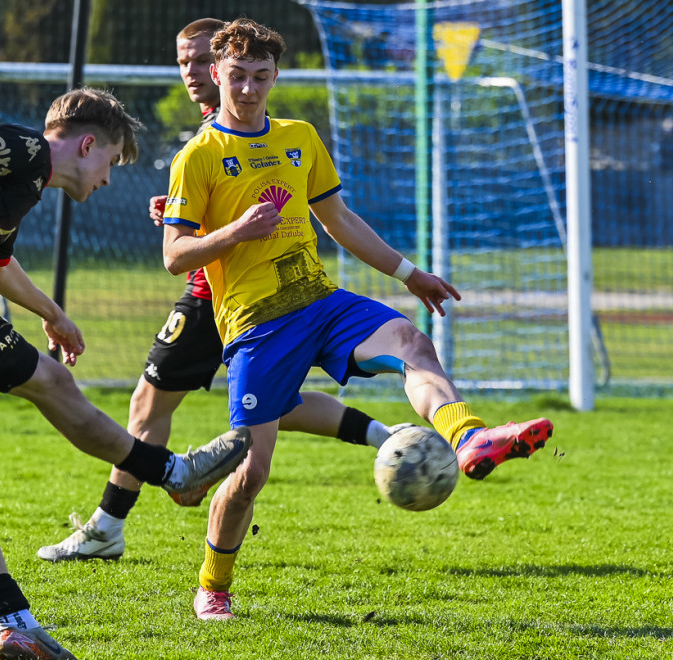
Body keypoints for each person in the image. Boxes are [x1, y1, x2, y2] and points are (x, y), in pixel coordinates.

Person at [0, 87, 251, 660]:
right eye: (109, 161)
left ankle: (13, 623)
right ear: (87, 144)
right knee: (54, 385)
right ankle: (171, 471)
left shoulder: (22, 186)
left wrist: (53, 315)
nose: (107, 179)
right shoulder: (23, 146)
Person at [160, 19, 555, 620]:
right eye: (236, 77)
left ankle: (470, 436)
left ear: (274, 78)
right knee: (249, 473)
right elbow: (173, 255)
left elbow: (338, 220)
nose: (247, 90)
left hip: (320, 301)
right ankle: (213, 583)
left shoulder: (299, 137)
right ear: (216, 75)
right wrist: (238, 231)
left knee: (410, 340)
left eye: (260, 78)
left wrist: (408, 273)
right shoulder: (198, 157)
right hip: (255, 325)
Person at [37, 18, 414, 564]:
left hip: (222, 295)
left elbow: (282, 209)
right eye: (181, 62)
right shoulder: (211, 133)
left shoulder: (253, 126)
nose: (189, 73)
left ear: (228, 68)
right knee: (270, 404)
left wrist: (210, 229)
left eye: (196, 62)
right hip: (223, 286)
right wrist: (179, 215)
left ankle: (108, 526)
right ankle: (385, 435)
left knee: (153, 405)